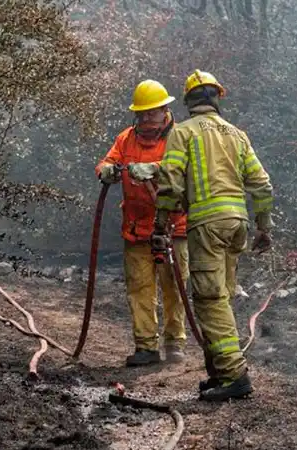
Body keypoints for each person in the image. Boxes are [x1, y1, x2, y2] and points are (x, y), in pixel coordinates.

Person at [152, 70, 274, 401]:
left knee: (210, 300)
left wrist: (160, 225)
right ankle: (219, 371)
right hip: (237, 225)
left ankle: (234, 375)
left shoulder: (183, 132)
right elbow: (262, 185)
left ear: (189, 101)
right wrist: (264, 227)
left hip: (207, 227)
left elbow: (170, 182)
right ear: (217, 98)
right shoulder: (237, 135)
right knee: (220, 296)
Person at [95, 79, 190, 367]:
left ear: (165, 110)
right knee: (140, 289)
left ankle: (174, 343)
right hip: (137, 229)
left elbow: (186, 170)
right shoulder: (126, 138)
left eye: (152, 112)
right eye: (142, 113)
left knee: (175, 288)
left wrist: (155, 169)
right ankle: (146, 347)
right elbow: (106, 162)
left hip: (173, 227)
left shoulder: (180, 137)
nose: (147, 118)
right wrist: (106, 171)